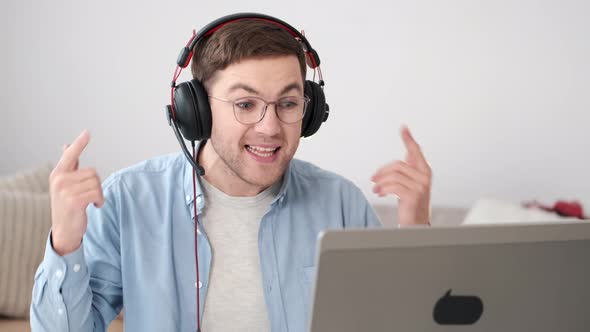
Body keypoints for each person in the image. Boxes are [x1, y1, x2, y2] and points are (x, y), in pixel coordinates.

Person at [30, 13, 432, 332]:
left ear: (309, 111)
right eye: (245, 104)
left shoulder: (341, 203)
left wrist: (416, 230)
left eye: (288, 104)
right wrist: (65, 242)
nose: (270, 127)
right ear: (195, 111)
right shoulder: (129, 200)